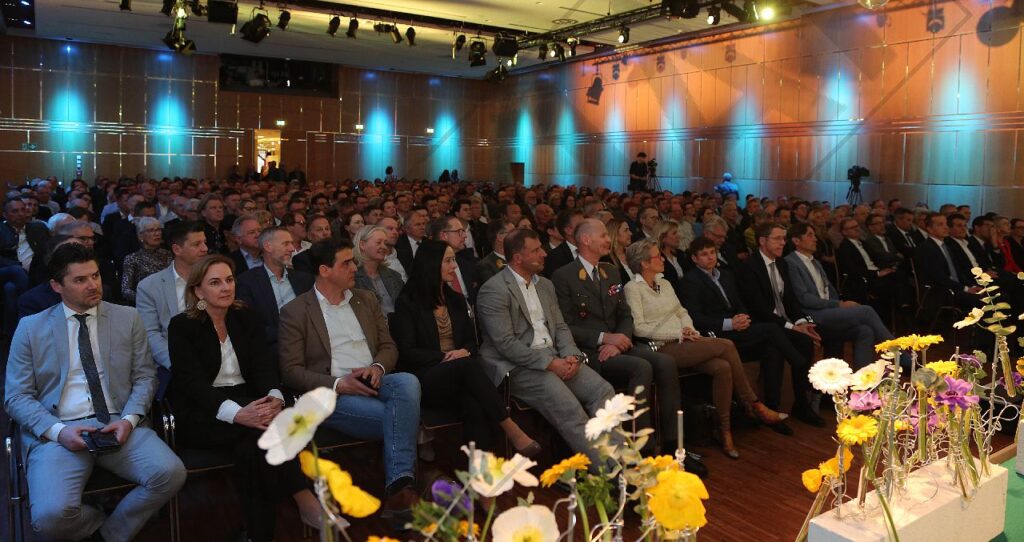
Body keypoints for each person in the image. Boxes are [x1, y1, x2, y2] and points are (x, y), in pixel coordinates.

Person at [5, 243, 186, 541]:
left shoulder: (128, 317)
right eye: (80, 279)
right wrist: (59, 432)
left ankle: (109, 535)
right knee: (50, 519)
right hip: (59, 430)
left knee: (171, 474)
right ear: (56, 286)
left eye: (95, 275)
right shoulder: (31, 328)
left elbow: (145, 377)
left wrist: (129, 420)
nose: (93, 285)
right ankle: (98, 522)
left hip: (117, 422)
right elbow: (16, 396)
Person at [168, 254, 320, 542]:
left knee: (254, 446)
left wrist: (274, 396)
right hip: (203, 409)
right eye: (215, 283)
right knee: (262, 436)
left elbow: (264, 366)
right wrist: (237, 414)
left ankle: (258, 535)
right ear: (198, 291)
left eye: (229, 280)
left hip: (248, 399)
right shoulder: (182, 325)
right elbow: (192, 384)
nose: (226, 287)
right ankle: (304, 499)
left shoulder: (246, 317)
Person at [278, 239, 421, 530]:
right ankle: (401, 492)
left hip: (375, 379)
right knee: (399, 418)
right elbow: (291, 371)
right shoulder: (296, 311)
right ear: (324, 270)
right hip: (332, 393)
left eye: (353, 261)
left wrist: (377, 367)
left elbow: (388, 346)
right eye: (346, 263)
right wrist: (338, 384)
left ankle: (398, 489)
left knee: (407, 381)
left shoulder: (365, 299)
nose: (355, 267)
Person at [625, 238, 787, 457]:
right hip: (661, 347)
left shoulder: (665, 283)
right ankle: (754, 403)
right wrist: (678, 333)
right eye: (657, 256)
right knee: (727, 345)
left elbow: (681, 312)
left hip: (685, 340)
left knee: (722, 367)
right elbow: (639, 328)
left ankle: (724, 430)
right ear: (644, 263)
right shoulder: (633, 288)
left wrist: (688, 329)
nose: (663, 259)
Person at [476, 228, 615, 468]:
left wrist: (572, 356)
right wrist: (550, 364)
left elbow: (560, 327)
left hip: (556, 357)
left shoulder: (545, 285)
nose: (544, 254)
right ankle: (609, 473)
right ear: (518, 258)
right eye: (536, 250)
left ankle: (621, 461)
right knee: (571, 410)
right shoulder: (494, 290)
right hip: (519, 366)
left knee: (603, 391)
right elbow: (506, 344)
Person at [390, 240, 540, 455]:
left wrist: (465, 351)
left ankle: (478, 467)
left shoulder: (456, 299)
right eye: (448, 261)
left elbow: (471, 341)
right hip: (426, 377)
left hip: (462, 376)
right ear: (431, 264)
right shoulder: (408, 303)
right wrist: (445, 357)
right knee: (468, 367)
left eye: (454, 260)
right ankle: (510, 427)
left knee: (473, 402)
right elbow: (408, 352)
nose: (454, 266)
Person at [552, 220, 683, 453]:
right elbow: (565, 326)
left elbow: (624, 313)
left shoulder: (610, 270)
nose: (608, 240)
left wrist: (619, 339)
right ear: (586, 240)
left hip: (618, 345)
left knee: (666, 362)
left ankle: (673, 443)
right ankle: (644, 446)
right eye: (603, 235)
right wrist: (604, 338)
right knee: (641, 367)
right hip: (591, 351)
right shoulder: (564, 276)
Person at [735, 223, 825, 426]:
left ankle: (801, 404)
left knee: (805, 338)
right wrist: (793, 327)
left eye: (784, 238)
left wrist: (802, 322)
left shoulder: (782, 263)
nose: (782, 243)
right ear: (762, 241)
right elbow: (759, 309)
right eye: (777, 239)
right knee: (780, 346)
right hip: (761, 324)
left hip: (782, 322)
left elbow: (791, 299)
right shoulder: (748, 267)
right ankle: (774, 409)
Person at [785, 223, 893, 368]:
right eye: (810, 235)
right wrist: (839, 305)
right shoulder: (791, 263)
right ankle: (898, 352)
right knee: (866, 311)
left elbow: (829, 291)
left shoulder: (815, 262)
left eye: (814, 235)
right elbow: (803, 298)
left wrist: (839, 304)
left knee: (865, 331)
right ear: (796, 241)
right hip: (811, 314)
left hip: (826, 310)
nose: (815, 239)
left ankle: (863, 377)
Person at [137, 221, 209, 370]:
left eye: (205, 242)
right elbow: (151, 334)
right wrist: (178, 363)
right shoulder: (149, 286)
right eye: (197, 244)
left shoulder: (216, 279)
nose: (205, 249)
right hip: (174, 362)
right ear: (177, 249)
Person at [236, 226, 314, 359]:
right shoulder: (247, 282)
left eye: (291, 243)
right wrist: (290, 334)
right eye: (286, 244)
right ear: (268, 246)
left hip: (309, 348)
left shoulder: (304, 279)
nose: (292, 248)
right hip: (271, 353)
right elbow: (251, 325)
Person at [915, 212, 981, 310]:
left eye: (946, 224)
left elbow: (958, 272)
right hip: (940, 292)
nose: (946, 227)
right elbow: (939, 277)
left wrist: (972, 286)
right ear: (929, 228)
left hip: (954, 289)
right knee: (987, 301)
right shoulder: (926, 248)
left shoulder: (946, 246)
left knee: (994, 296)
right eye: (940, 224)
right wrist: (966, 289)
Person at [353, 225, 405, 315]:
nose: (384, 247)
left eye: (385, 243)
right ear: (362, 245)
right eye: (378, 242)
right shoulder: (352, 277)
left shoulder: (395, 276)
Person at [120, 216, 173, 305]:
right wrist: (145, 299)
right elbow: (126, 290)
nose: (157, 234)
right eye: (151, 230)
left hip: (169, 300)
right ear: (140, 235)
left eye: (158, 230)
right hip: (145, 304)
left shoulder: (168, 254)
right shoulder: (132, 258)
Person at [429, 215, 478, 307]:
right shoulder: (429, 269)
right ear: (444, 236)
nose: (465, 236)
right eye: (459, 231)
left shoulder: (466, 263)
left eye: (463, 231)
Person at [542, 209, 584, 278]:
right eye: (581, 225)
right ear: (568, 230)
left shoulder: (594, 248)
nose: (587, 228)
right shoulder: (554, 257)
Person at [475, 219, 515, 286]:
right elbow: (498, 288)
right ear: (500, 237)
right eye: (512, 232)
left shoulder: (522, 256)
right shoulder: (485, 265)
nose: (517, 236)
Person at [603, 218, 635, 285]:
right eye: (626, 230)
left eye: (629, 230)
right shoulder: (606, 259)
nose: (630, 233)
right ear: (615, 233)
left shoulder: (633, 253)